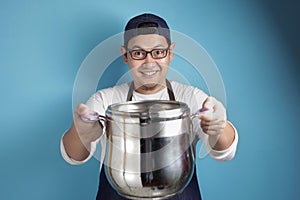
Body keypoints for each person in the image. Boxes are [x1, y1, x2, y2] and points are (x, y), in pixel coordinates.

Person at [61, 13, 238, 200]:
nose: (149, 62)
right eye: (138, 53)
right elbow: (73, 156)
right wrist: (82, 133)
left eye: (158, 52)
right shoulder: (105, 99)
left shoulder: (191, 97)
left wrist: (219, 127)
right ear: (125, 55)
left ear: (170, 53)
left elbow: (225, 152)